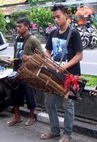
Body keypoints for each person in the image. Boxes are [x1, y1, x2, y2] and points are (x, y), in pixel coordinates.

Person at [40, 4, 83, 142]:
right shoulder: (52, 33)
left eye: (58, 17)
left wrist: (65, 66)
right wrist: (48, 59)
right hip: (54, 74)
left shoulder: (74, 33)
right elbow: (47, 51)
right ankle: (54, 130)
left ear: (66, 16)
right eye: (54, 17)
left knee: (68, 105)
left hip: (69, 76)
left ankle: (67, 134)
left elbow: (79, 55)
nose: (56, 20)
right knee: (49, 103)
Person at [6, 17, 43, 126]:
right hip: (17, 71)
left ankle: (32, 117)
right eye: (17, 26)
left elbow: (41, 56)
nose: (17, 28)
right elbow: (17, 54)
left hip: (29, 72)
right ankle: (17, 117)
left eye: (20, 26)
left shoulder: (33, 39)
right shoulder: (17, 39)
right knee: (15, 94)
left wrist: (29, 58)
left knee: (30, 95)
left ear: (27, 27)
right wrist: (13, 61)